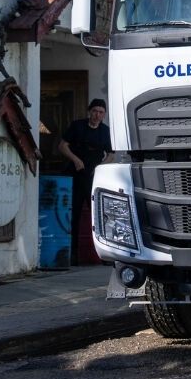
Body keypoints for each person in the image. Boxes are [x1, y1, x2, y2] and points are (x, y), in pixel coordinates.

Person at [58, 99, 113, 264]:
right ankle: (72, 255)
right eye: (95, 111)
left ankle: (105, 255)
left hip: (93, 177)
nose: (97, 115)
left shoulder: (105, 131)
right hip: (75, 174)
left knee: (98, 215)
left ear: (104, 115)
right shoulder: (77, 126)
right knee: (72, 214)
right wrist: (75, 159)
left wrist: (100, 167)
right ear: (89, 111)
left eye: (101, 112)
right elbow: (62, 146)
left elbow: (111, 154)